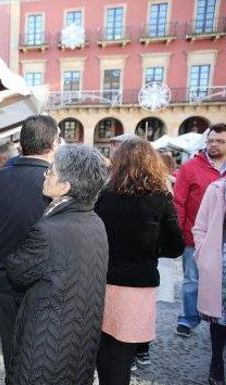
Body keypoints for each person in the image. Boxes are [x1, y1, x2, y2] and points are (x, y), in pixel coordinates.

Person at [5, 145, 109, 385]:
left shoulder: (48, 230)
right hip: (79, 339)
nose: (45, 174)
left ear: (65, 187)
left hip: (47, 342)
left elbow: (17, 271)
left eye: (51, 172)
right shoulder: (95, 222)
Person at [0, 114, 60, 372]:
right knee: (43, 350)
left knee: (12, 349)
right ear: (53, 144)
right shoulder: (60, 183)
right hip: (46, 279)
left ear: (22, 144)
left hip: (4, 275)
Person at [94, 138, 185, 385]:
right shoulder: (161, 199)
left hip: (104, 282)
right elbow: (175, 246)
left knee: (104, 350)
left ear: (119, 163)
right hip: (137, 286)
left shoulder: (104, 197)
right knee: (123, 356)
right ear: (152, 164)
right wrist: (150, 250)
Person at [175, 123, 226, 337]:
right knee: (192, 280)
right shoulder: (190, 167)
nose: (213, 145)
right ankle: (189, 319)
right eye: (210, 141)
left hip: (223, 239)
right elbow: (179, 201)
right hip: (195, 236)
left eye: (219, 141)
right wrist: (179, 231)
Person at [193, 176, 226, 385]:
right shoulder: (216, 189)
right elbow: (200, 226)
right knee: (220, 316)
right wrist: (202, 252)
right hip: (220, 262)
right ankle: (216, 362)